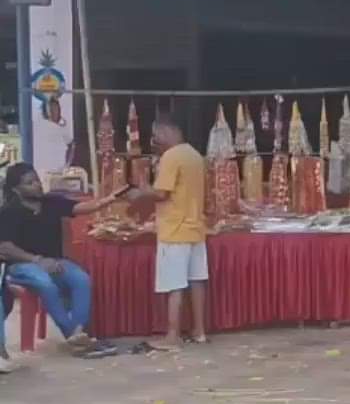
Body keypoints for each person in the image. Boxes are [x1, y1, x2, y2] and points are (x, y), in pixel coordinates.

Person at [0, 162, 123, 370]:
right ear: (16, 189)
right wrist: (38, 260)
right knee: (45, 283)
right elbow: (6, 247)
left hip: (55, 262)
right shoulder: (9, 212)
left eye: (37, 180)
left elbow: (81, 207)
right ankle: (74, 336)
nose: (37, 185)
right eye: (30, 183)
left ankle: (77, 334)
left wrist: (107, 200)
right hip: (22, 265)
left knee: (81, 279)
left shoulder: (51, 202)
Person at [129, 115, 207, 350]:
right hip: (195, 227)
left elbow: (163, 193)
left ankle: (172, 336)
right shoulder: (194, 154)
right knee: (196, 281)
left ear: (167, 131)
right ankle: (199, 331)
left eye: (156, 135)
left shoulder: (171, 156)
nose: (155, 141)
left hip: (174, 228)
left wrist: (141, 192)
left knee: (174, 284)